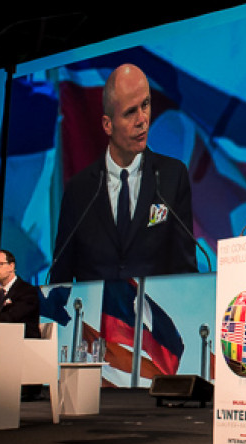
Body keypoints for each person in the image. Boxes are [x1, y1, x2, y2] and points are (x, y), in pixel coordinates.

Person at [49, 64, 198, 282]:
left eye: (145, 105)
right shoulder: (78, 190)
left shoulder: (171, 177)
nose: (142, 120)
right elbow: (60, 278)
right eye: (130, 112)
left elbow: (185, 270)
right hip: (95, 315)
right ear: (108, 125)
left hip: (152, 313)